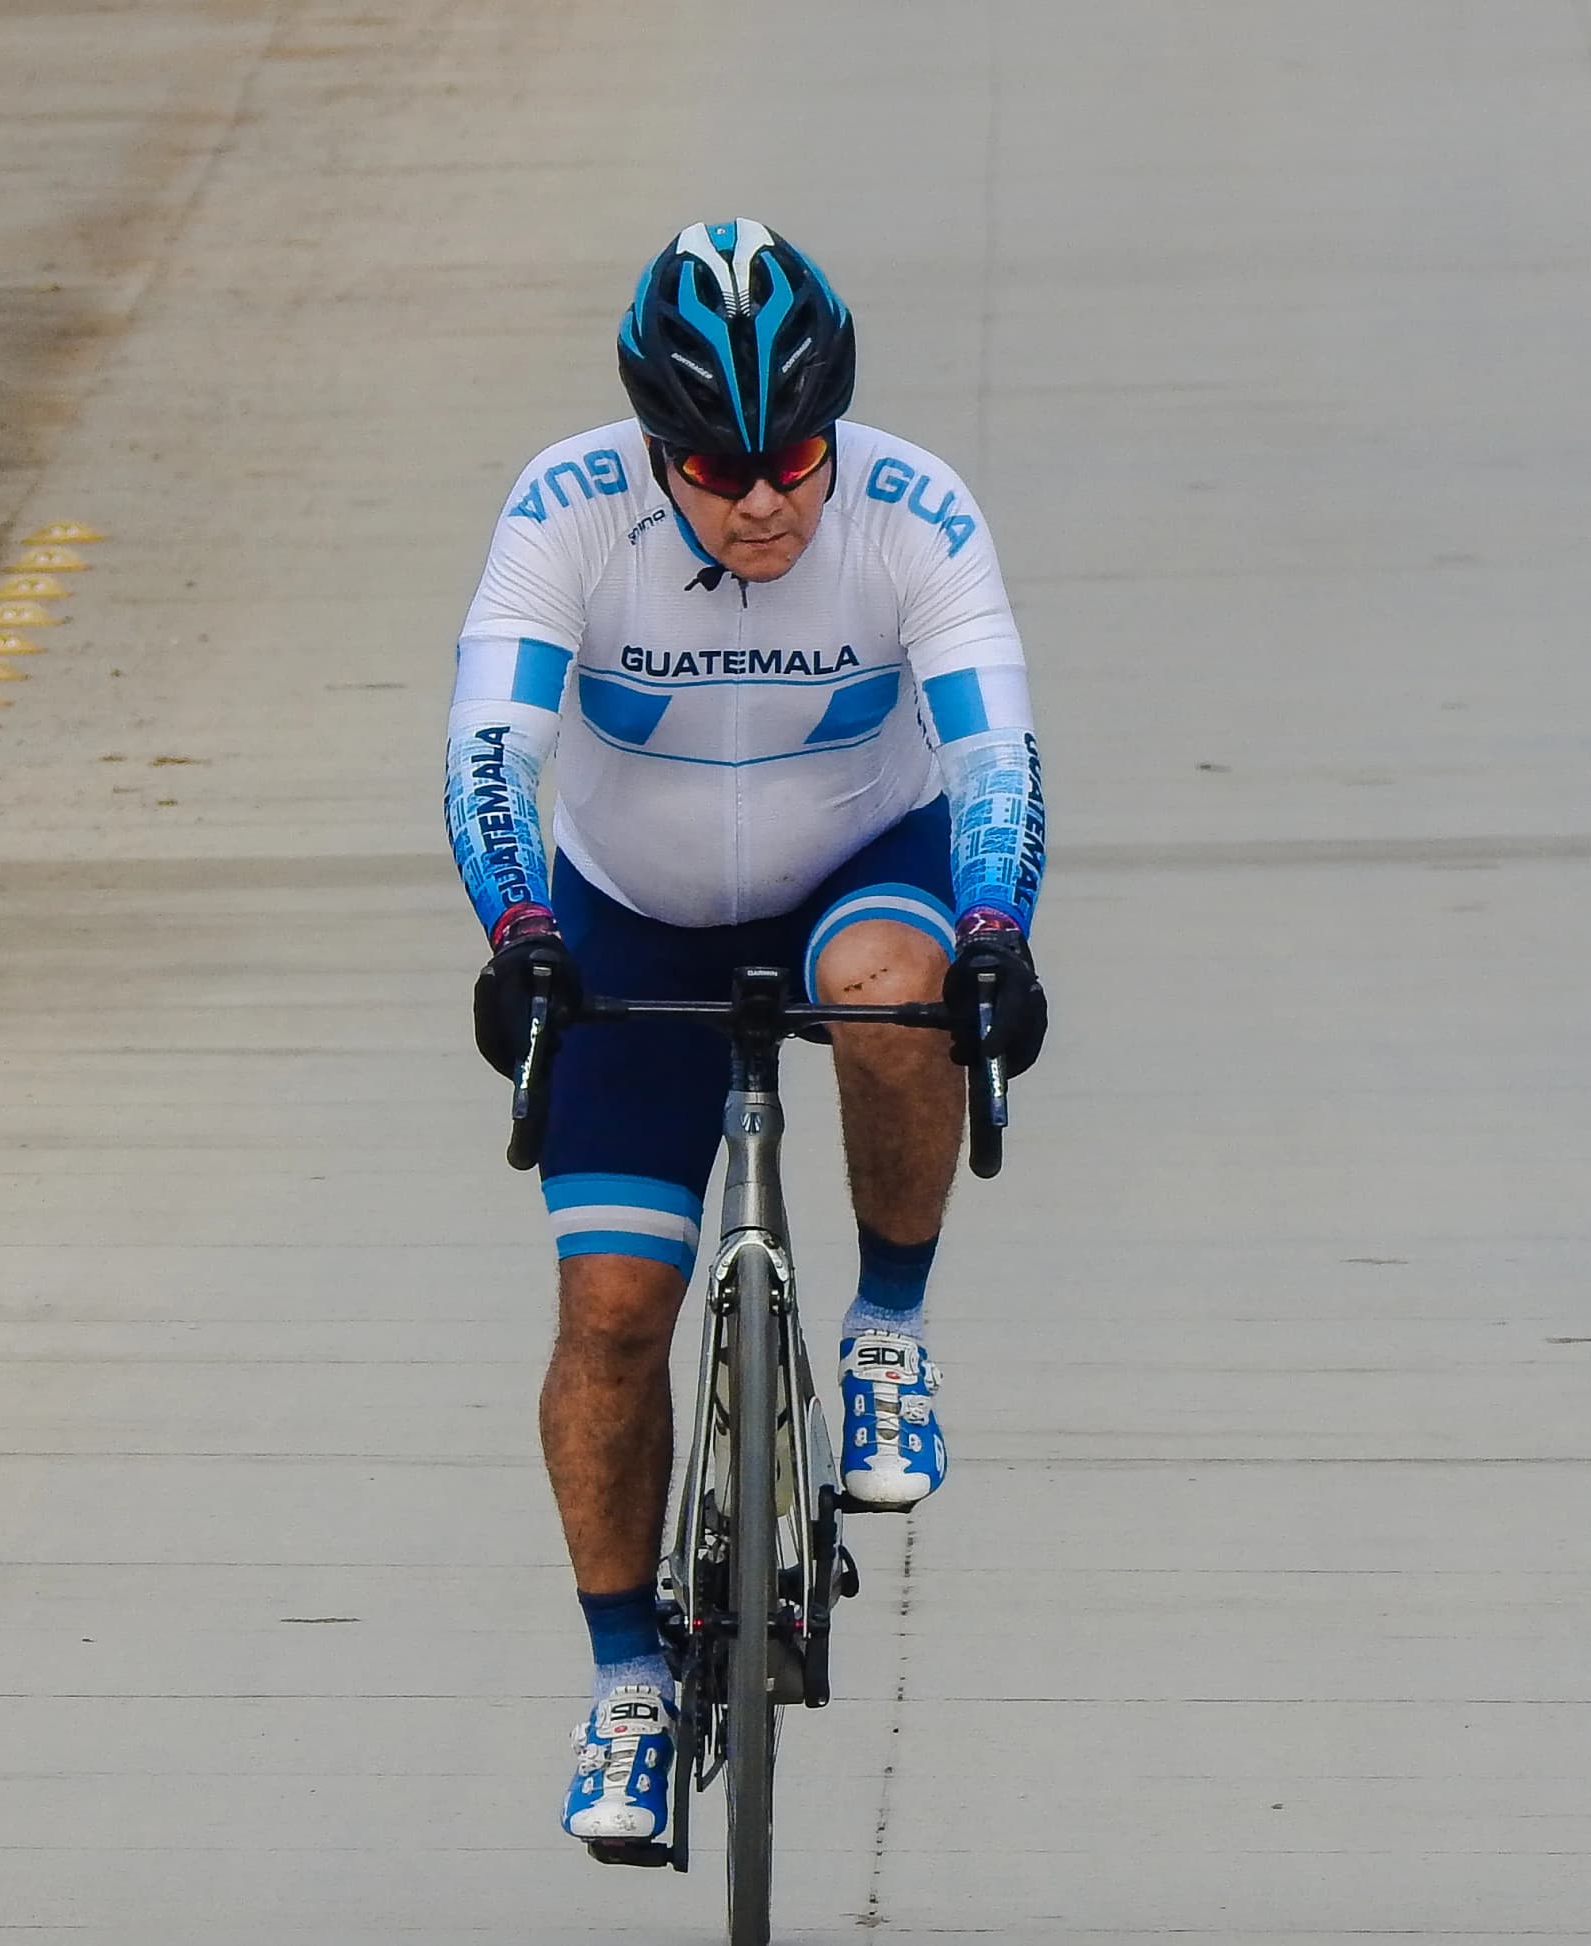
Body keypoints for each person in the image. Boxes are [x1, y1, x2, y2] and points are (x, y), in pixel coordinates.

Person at [443, 219, 1049, 1848]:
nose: (766, 499)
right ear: (654, 446)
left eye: (794, 459)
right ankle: (629, 1679)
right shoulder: (564, 510)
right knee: (618, 1311)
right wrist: (518, 935)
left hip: (861, 867)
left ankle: (890, 1331)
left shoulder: (916, 511)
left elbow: (994, 755)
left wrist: (993, 934)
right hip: (632, 900)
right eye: (717, 469)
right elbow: (491, 746)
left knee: (886, 994)